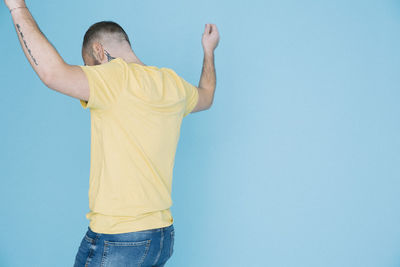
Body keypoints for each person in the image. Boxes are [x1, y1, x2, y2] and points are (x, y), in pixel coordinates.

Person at [4, 0, 219, 266]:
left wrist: (16, 7)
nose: (90, 77)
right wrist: (208, 51)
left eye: (89, 67)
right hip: (161, 237)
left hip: (120, 237)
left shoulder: (113, 76)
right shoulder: (172, 84)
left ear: (99, 50)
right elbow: (207, 96)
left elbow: (52, 73)